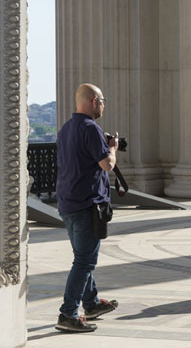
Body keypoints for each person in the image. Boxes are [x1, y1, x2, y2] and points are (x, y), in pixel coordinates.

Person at [55, 83, 120, 332]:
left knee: (82, 257)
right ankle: (68, 314)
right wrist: (112, 148)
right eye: (103, 100)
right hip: (87, 204)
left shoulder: (66, 128)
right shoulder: (91, 128)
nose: (103, 105)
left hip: (68, 203)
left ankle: (91, 304)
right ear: (94, 101)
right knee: (84, 261)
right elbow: (107, 165)